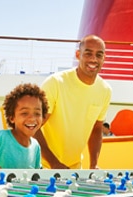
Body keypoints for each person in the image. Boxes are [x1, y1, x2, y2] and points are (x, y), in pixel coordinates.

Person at [34, 34, 112, 169]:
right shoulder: (55, 83)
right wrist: (53, 163)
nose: (93, 59)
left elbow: (96, 128)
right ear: (78, 54)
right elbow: (34, 126)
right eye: (88, 54)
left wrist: (94, 164)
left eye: (99, 55)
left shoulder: (105, 90)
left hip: (74, 169)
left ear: (104, 58)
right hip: (42, 166)